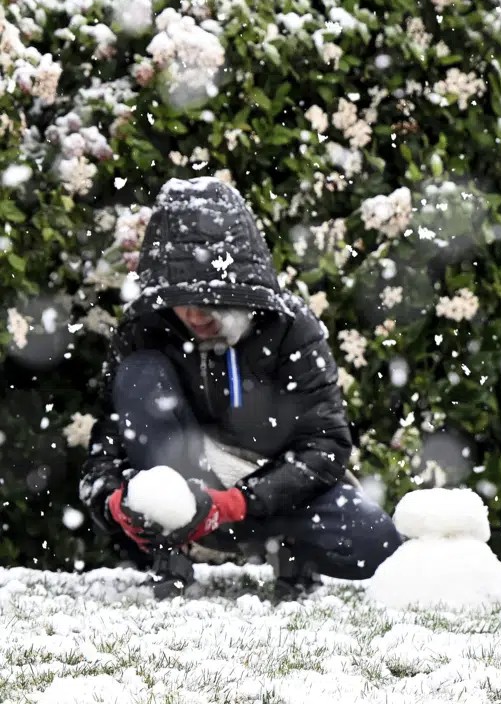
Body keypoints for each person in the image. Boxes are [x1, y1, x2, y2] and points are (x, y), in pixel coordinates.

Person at [80, 177, 402, 597]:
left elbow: (326, 448)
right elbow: (107, 448)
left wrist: (234, 503)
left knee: (374, 545)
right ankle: (171, 551)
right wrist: (115, 503)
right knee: (140, 374)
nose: (195, 314)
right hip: (187, 485)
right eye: (183, 299)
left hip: (276, 492)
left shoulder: (291, 328)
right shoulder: (144, 330)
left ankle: (293, 552)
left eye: (210, 300)